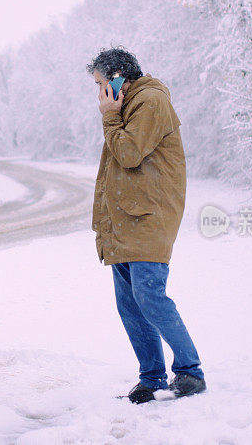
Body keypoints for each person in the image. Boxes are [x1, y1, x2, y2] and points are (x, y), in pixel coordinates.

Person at [87, 47, 206, 404]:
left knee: (150, 297)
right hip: (126, 220)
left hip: (149, 217)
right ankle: (152, 377)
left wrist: (109, 116)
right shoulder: (128, 106)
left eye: (101, 84)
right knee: (130, 305)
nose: (99, 93)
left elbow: (127, 153)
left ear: (119, 77)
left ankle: (190, 371)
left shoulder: (150, 101)